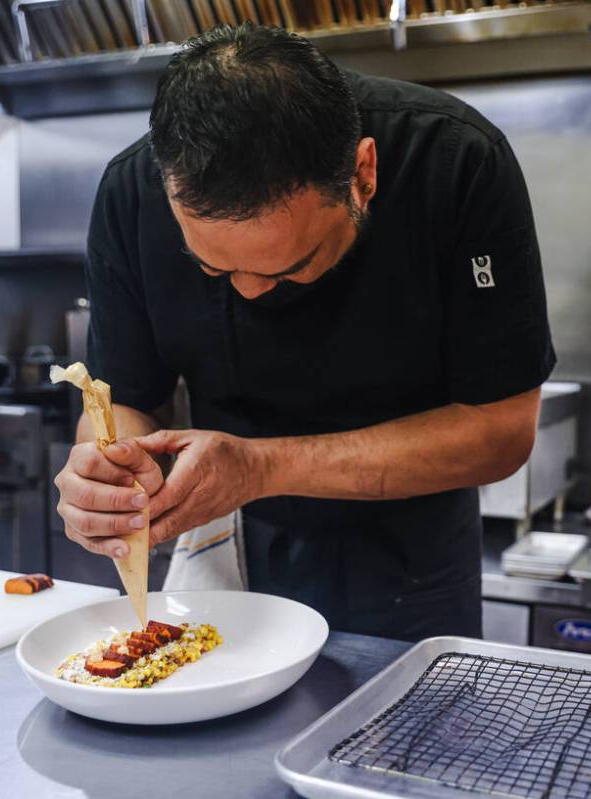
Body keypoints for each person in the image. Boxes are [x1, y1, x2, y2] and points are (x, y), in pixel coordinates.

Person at [52, 24, 555, 641]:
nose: (250, 291)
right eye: (214, 267)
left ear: (362, 176)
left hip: (413, 556)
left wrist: (260, 467)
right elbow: (123, 397)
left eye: (290, 267)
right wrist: (106, 471)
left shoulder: (454, 159)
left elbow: (500, 431)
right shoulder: (133, 189)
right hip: (225, 540)